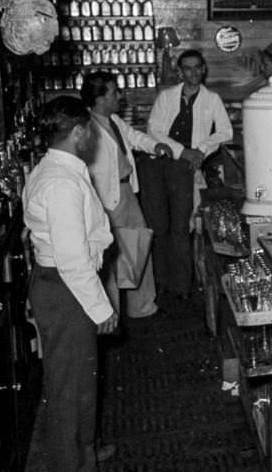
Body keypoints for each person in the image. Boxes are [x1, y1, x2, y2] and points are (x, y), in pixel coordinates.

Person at [23, 96, 118, 472]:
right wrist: (101, 308)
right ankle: (73, 471)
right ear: (78, 131)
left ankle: (84, 449)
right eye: (89, 130)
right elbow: (73, 258)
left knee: (79, 378)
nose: (92, 136)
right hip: (67, 289)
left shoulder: (55, 169)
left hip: (61, 285)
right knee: (69, 384)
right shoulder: (60, 182)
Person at [81, 71, 173, 319]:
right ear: (99, 99)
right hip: (105, 198)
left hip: (126, 191)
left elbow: (133, 137)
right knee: (110, 256)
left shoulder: (113, 120)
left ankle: (143, 306)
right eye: (114, 92)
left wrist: (155, 146)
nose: (119, 96)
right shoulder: (87, 126)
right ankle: (113, 315)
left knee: (139, 245)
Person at [143, 49, 233, 301]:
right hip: (159, 165)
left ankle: (182, 286)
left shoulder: (212, 99)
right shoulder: (166, 96)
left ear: (203, 69)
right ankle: (161, 281)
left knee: (182, 227)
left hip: (187, 169)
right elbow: (154, 130)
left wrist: (201, 150)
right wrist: (183, 151)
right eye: (187, 68)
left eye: (197, 68)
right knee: (158, 227)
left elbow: (225, 132)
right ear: (179, 72)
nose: (193, 73)